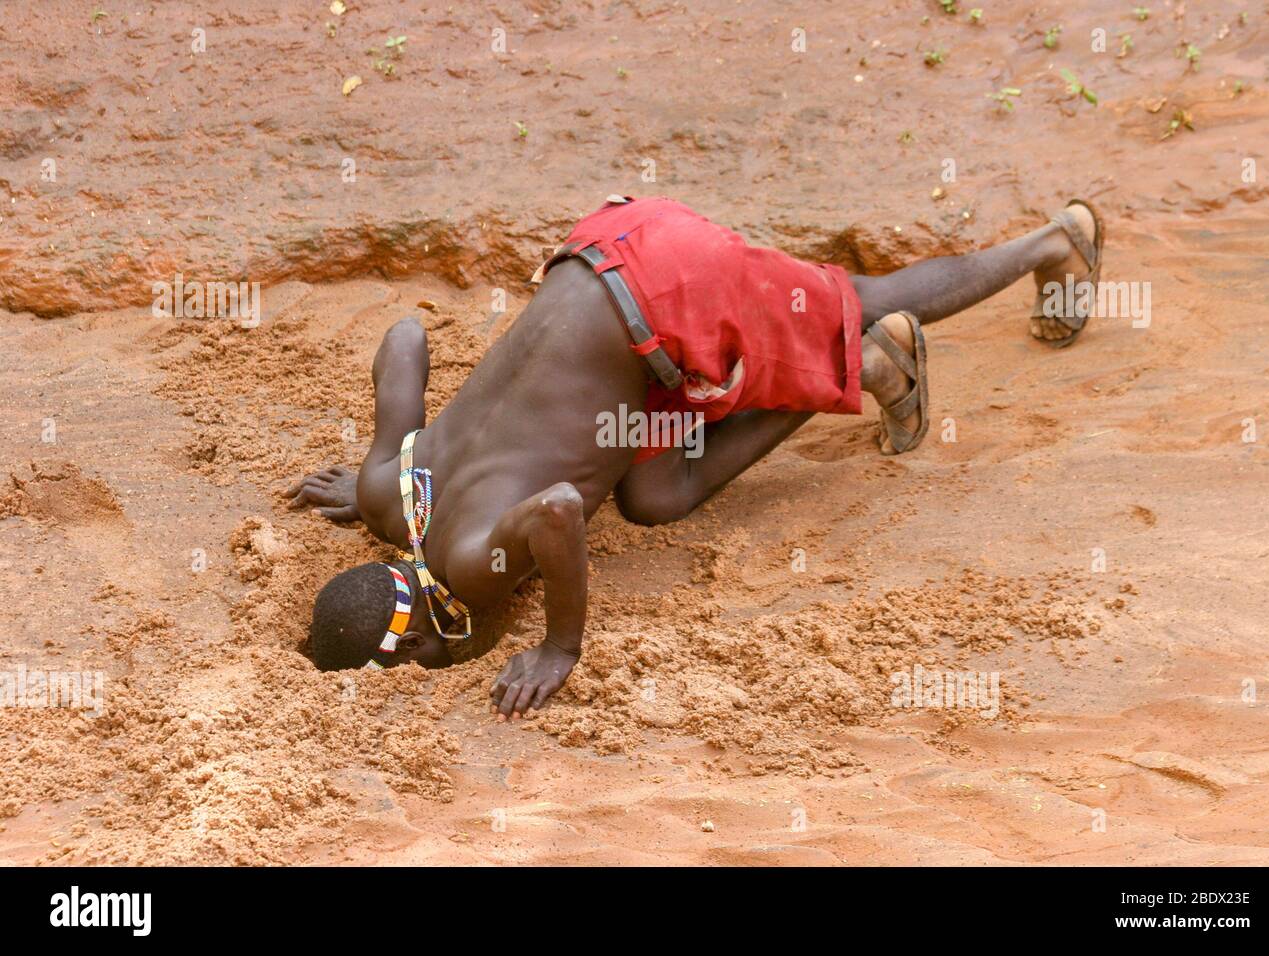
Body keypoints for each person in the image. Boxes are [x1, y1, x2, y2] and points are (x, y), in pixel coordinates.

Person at [287, 194, 1103, 720]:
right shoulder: (390, 495)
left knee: (860, 298)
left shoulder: (466, 573)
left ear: (420, 643)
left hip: (662, 294)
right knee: (655, 497)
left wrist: (560, 646)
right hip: (603, 261)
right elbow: (405, 341)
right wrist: (373, 478)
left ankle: (1051, 244)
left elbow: (559, 512)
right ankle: (868, 364)